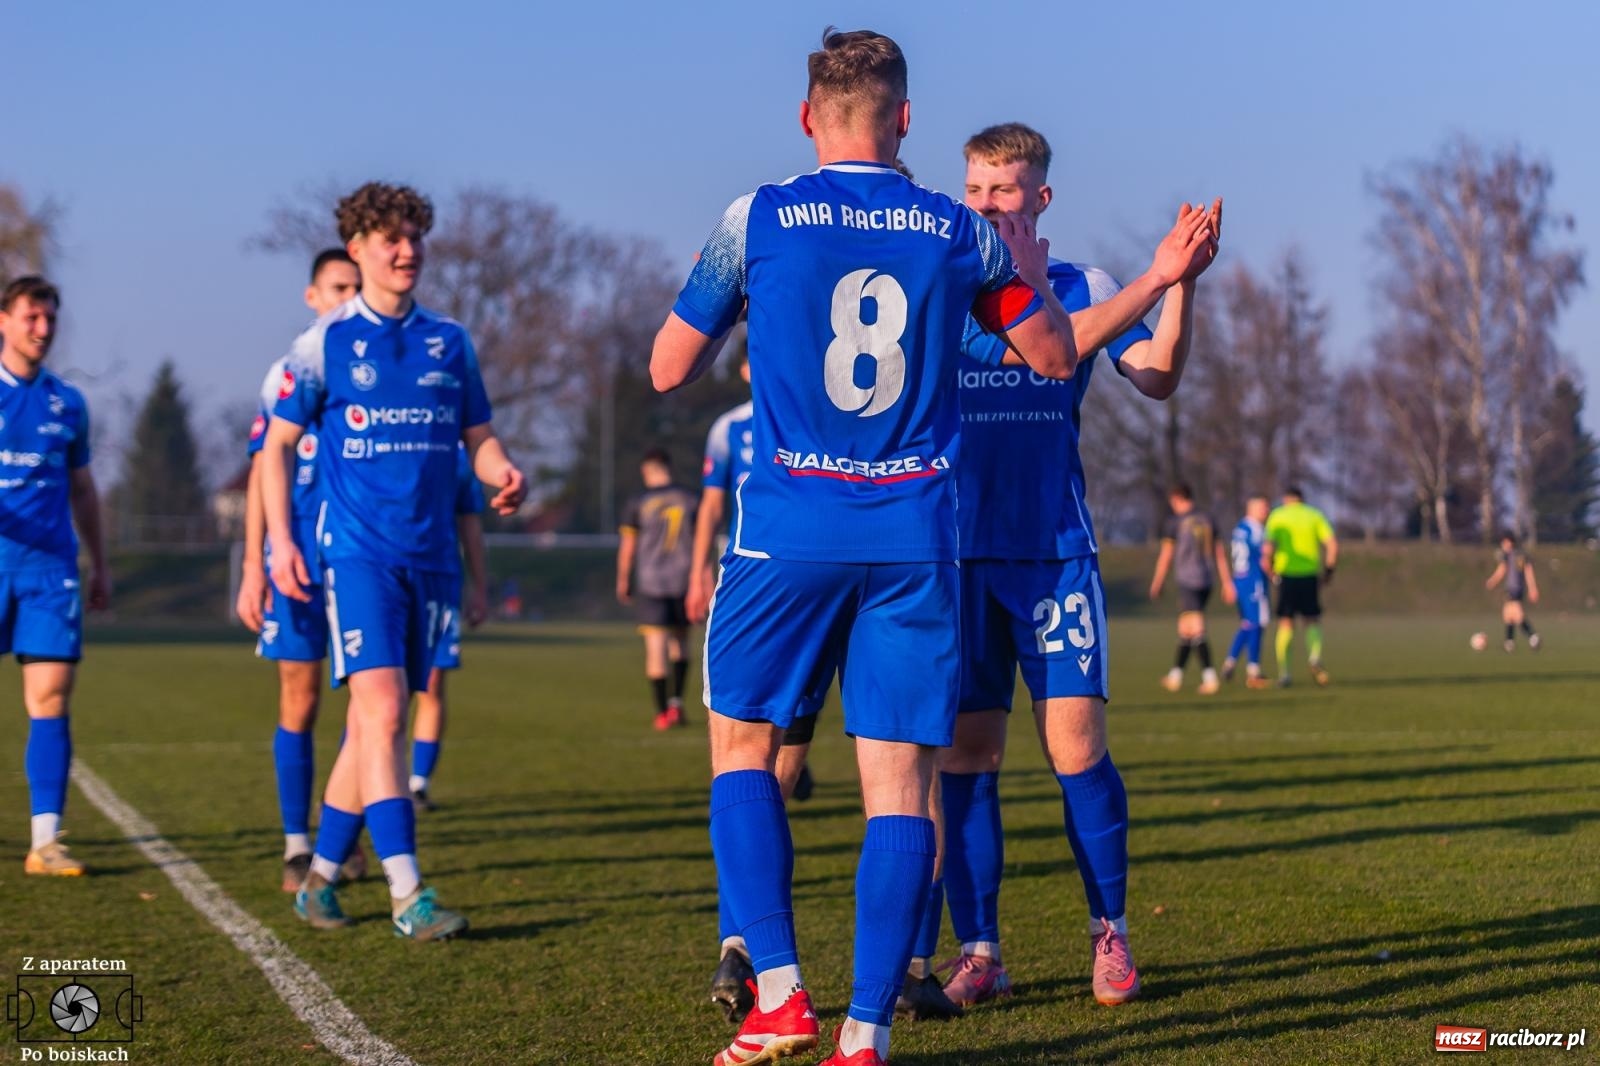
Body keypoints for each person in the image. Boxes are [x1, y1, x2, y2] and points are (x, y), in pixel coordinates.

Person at [652, 27, 1085, 1066]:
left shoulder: (754, 215)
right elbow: (1052, 353)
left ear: (809, 117)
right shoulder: (952, 228)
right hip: (913, 536)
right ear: (903, 121)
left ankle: (779, 995)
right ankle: (865, 1032)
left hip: (787, 533)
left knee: (743, 750)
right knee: (899, 786)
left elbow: (669, 366)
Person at [928, 122, 1219, 1015]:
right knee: (966, 759)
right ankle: (981, 952)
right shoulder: (939, 283)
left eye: (1004, 190)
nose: (985, 204)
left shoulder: (1081, 286)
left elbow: (1160, 375)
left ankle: (1111, 933)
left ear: (1040, 198)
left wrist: (1179, 290)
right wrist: (1158, 275)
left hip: (1054, 556)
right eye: (975, 188)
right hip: (958, 559)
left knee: (1076, 748)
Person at [262, 181, 526, 941]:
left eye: (415, 237)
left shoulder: (451, 340)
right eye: (390, 239)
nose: (406, 251)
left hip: (432, 557)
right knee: (380, 717)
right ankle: (407, 892)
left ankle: (318, 882)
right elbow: (277, 449)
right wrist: (281, 543)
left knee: (374, 726)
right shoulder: (323, 344)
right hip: (358, 555)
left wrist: (502, 473)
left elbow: (479, 436)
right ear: (358, 249)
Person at [237, 248, 362, 891]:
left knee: (370, 703)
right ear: (312, 296)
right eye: (337, 287)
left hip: (360, 559)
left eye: (355, 286)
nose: (348, 297)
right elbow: (265, 473)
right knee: (300, 695)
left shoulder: (374, 367)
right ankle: (296, 843)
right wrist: (255, 567)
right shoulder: (287, 372)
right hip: (295, 564)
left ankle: (342, 831)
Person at [1, 276, 110, 876]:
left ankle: (45, 842)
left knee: (50, 697)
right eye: (30, 317)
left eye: (50, 320)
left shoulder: (68, 403)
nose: (42, 330)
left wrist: (101, 563)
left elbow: (85, 490)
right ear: (3, 320)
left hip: (49, 572)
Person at [408, 443, 489, 811]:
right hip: (382, 581)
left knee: (433, 684)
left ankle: (417, 784)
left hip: (441, 585)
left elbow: (469, 523)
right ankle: (369, 786)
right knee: (381, 690)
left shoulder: (455, 454)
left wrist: (479, 587)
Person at [616, 446, 698, 730]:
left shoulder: (638, 501)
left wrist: (623, 579)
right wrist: (704, 578)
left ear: (646, 470)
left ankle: (662, 712)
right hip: (685, 580)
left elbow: (628, 546)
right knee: (681, 644)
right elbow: (703, 542)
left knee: (656, 649)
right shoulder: (689, 499)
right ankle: (677, 703)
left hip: (651, 582)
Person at [1149, 484, 1235, 695]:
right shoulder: (1208, 519)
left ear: (1177, 498)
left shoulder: (1175, 522)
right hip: (1206, 581)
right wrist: (1226, 581)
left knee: (1196, 628)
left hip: (1188, 581)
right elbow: (1219, 554)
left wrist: (1157, 582)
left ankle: (1210, 678)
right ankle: (1175, 676)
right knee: (1186, 629)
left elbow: (1166, 555)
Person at [1263, 485, 1337, 687]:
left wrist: (1270, 568)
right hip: (1309, 575)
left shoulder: (1278, 515)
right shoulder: (1314, 515)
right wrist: (1328, 571)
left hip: (1286, 575)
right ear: (1302, 499)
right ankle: (1314, 658)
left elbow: (1268, 547)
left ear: (1286, 499)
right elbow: (1331, 544)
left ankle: (1285, 672)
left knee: (1286, 623)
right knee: (1312, 620)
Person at [1222, 495, 1274, 688]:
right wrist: (1274, 574)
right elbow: (1264, 559)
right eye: (1263, 507)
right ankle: (1253, 672)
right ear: (1251, 508)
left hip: (1241, 579)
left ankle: (1230, 661)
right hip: (1254, 581)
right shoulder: (1256, 530)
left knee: (1248, 624)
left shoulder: (1240, 528)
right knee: (1259, 623)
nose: (1266, 511)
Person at [1485, 532, 1541, 652]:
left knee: (1517, 614)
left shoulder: (1515, 555)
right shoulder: (1513, 554)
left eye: (1505, 542)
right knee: (1508, 615)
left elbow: (1504, 570)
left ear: (1510, 542)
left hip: (1515, 588)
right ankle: (1510, 642)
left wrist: (1492, 581)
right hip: (1513, 588)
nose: (1503, 545)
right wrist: (1532, 588)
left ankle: (1533, 637)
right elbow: (1525, 571)